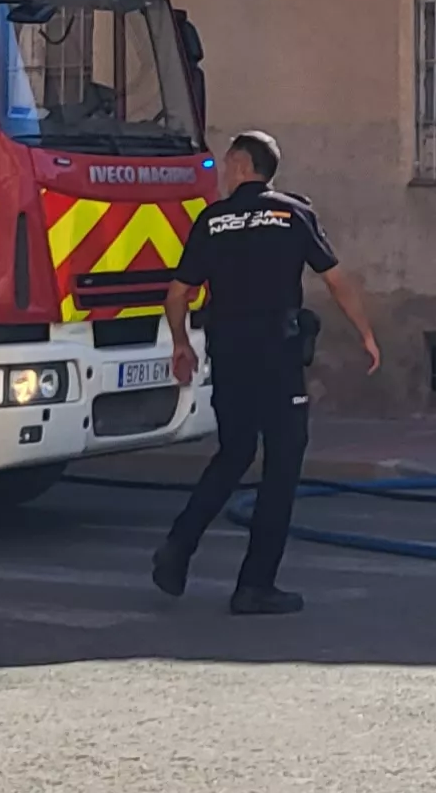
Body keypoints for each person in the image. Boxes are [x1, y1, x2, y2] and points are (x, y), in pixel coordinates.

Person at [155, 130, 380, 614]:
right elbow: (335, 279)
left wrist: (180, 345)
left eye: (225, 162)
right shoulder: (292, 213)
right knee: (283, 461)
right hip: (276, 357)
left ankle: (176, 548)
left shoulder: (212, 221)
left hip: (229, 353)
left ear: (239, 164)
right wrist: (365, 333)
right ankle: (254, 584)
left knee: (234, 452)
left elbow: (178, 293)